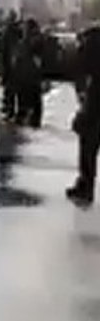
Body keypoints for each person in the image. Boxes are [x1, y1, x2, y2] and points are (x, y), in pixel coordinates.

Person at [68, 14, 100, 207]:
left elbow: (78, 69)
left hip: (96, 100)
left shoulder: (90, 42)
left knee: (88, 144)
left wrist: (81, 94)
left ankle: (85, 187)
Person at [13, 19, 44, 128]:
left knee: (29, 97)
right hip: (28, 75)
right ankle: (31, 119)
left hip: (29, 75)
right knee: (30, 97)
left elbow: (34, 57)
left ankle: (29, 119)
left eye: (25, 27)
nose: (24, 29)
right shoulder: (31, 39)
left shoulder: (33, 40)